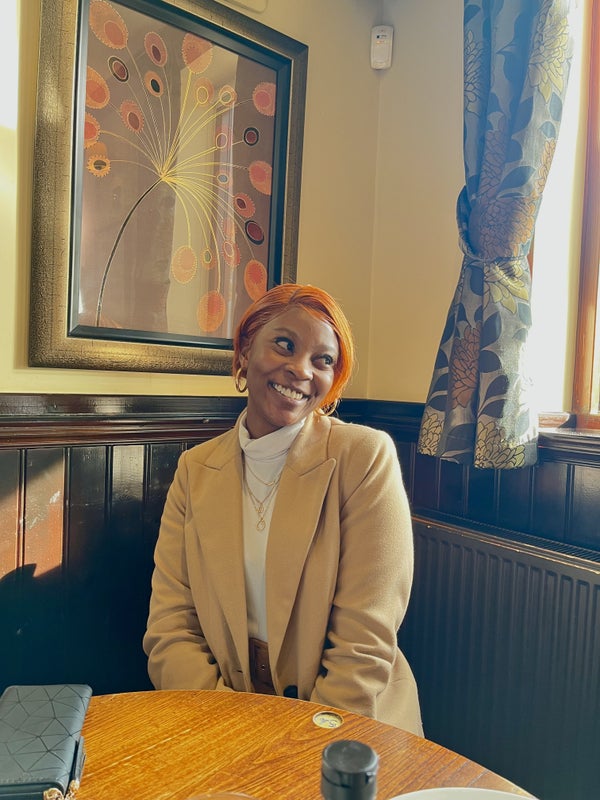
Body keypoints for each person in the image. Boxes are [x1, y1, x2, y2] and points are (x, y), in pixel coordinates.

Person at [143, 284, 423, 735]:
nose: (301, 370)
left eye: (323, 360)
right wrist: (225, 728)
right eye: (285, 345)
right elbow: (170, 627)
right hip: (220, 718)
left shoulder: (365, 457)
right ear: (245, 351)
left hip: (350, 726)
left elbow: (364, 643)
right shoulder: (195, 470)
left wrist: (299, 747)